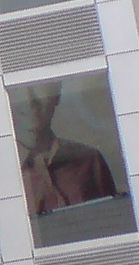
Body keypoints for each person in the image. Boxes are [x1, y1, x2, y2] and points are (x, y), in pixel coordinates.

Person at [15, 81, 120, 215]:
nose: (29, 100)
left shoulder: (89, 161)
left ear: (57, 92)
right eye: (15, 87)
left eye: (37, 82)